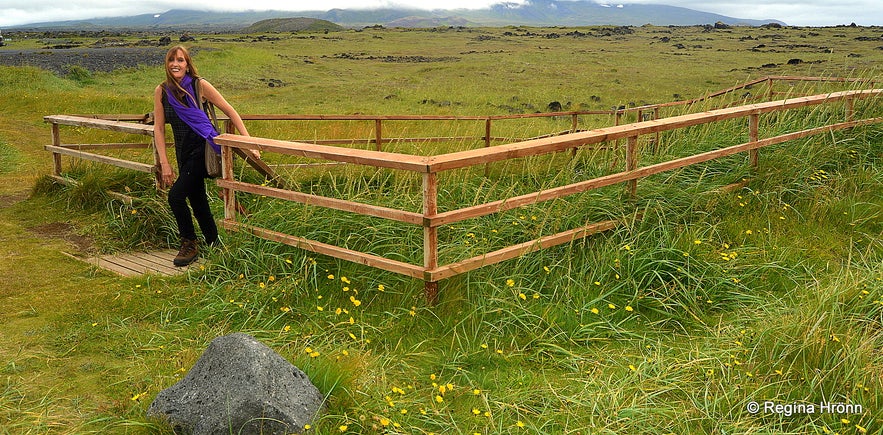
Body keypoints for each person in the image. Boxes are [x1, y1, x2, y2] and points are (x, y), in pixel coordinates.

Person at [153, 45, 250, 267]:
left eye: (180, 60)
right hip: (183, 152)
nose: (175, 64)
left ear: (187, 64)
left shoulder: (199, 85)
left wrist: (248, 141)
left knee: (175, 197)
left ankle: (189, 243)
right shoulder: (162, 91)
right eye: (171, 60)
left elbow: (229, 109)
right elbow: (158, 128)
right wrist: (165, 163)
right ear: (167, 64)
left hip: (204, 148)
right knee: (197, 200)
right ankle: (215, 244)